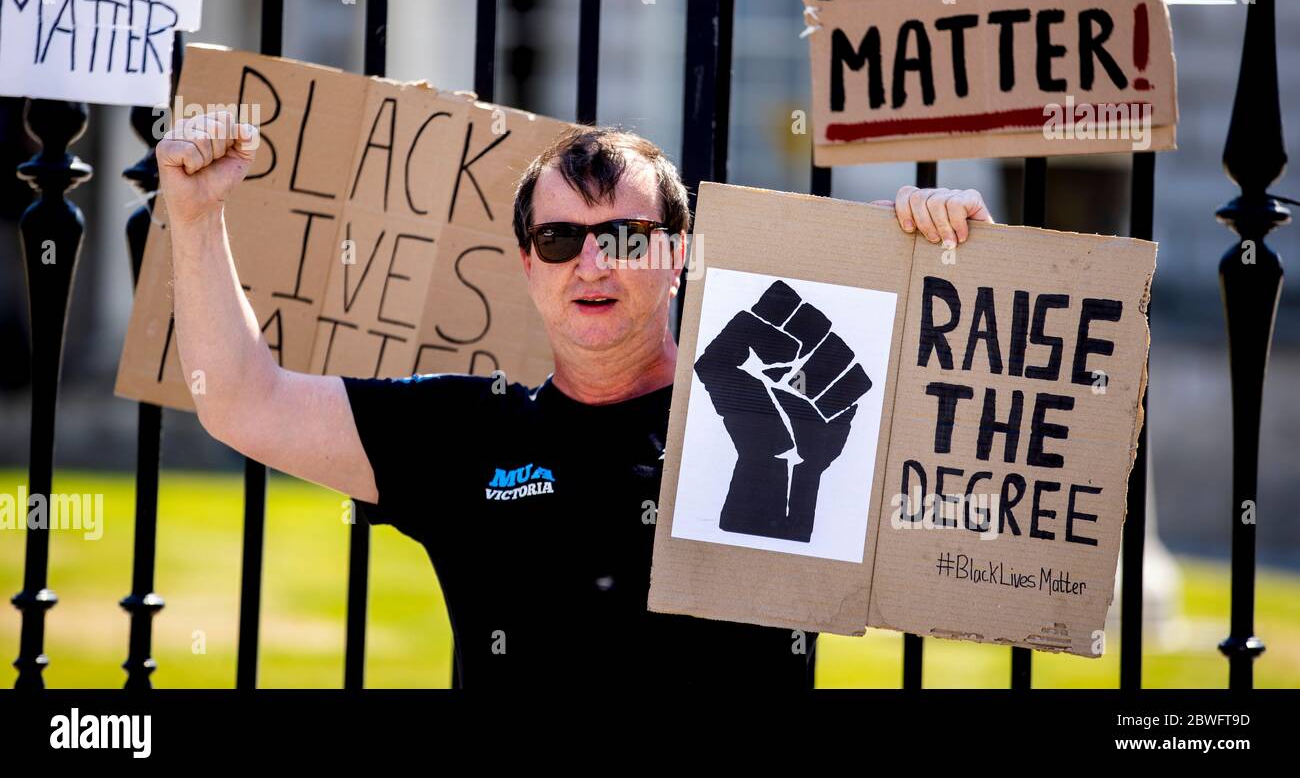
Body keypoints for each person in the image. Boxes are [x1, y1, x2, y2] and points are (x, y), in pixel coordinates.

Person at [158, 111, 993, 688]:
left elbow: (978, 495)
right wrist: (194, 217)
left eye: (624, 239)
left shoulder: (769, 418)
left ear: (677, 257)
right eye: (560, 240)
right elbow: (240, 401)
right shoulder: (463, 430)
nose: (591, 265)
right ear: (527, 264)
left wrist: (953, 261)